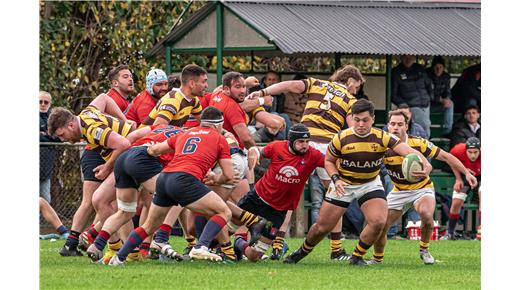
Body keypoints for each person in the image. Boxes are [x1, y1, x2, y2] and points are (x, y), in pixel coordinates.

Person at [283, 99, 433, 266]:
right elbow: (329, 162)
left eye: (365, 120)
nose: (361, 124)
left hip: (369, 183)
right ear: (352, 118)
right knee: (323, 227)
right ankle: (302, 251)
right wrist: (335, 179)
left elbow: (408, 151)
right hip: (344, 183)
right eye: (357, 120)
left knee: (378, 221)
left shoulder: (382, 137)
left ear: (373, 119)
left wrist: (425, 163)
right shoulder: (341, 138)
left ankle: (357, 257)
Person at [247, 64, 363, 260]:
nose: (356, 90)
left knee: (288, 194)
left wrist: (263, 91)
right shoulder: (351, 100)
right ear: (351, 81)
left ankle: (277, 244)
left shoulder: (316, 84)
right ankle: (336, 249)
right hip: (326, 149)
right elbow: (353, 129)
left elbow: (289, 85)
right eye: (357, 86)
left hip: (304, 143)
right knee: (337, 197)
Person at [107, 107, 240, 265]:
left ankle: (119, 258)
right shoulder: (220, 139)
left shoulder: (184, 133)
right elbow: (229, 176)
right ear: (218, 125)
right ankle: (201, 246)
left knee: (149, 226)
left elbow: (155, 149)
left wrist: (148, 149)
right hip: (185, 179)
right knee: (224, 212)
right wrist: (215, 179)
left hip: (164, 178)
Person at [368, 110, 477, 265]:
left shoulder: (418, 143)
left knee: (426, 214)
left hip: (421, 189)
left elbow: (446, 156)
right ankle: (377, 258)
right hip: (399, 191)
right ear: (387, 126)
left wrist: (466, 173)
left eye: (400, 124)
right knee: (382, 226)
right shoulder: (382, 146)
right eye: (392, 124)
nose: (396, 128)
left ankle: (424, 250)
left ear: (406, 126)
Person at [48, 93, 137, 257]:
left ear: (70, 125)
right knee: (109, 202)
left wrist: (106, 167)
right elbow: (104, 97)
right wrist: (123, 120)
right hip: (130, 155)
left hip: (134, 154)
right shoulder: (86, 114)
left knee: (110, 202)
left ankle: (123, 247)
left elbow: (124, 143)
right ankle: (127, 249)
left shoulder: (91, 129)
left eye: (62, 135)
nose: (63, 140)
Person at [86, 124, 185, 263]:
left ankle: (97, 244)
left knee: (125, 212)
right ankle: (161, 238)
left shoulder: (162, 126)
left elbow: (132, 136)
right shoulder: (188, 138)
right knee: (174, 194)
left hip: (126, 156)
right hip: (144, 158)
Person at [231, 124, 324, 262]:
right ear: (291, 141)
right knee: (229, 224)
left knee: (255, 256)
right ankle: (210, 247)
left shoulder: (313, 155)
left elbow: (330, 161)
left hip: (278, 211)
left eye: (307, 141)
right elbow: (258, 151)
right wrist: (253, 152)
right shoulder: (277, 147)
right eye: (300, 142)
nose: (305, 145)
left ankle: (239, 243)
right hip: (258, 198)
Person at [444, 137, 481, 240]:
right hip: (465, 176)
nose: (473, 155)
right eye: (470, 152)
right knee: (456, 202)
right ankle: (450, 233)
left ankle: (482, 231)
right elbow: (451, 162)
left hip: (481, 176)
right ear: (466, 150)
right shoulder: (457, 150)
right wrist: (458, 178)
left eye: (475, 152)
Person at [391, 55, 433, 138]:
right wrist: (403, 105)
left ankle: (423, 146)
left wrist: (430, 97)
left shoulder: (420, 69)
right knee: (425, 124)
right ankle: (425, 147)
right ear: (401, 58)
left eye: (410, 57)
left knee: (422, 128)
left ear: (414, 58)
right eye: (406, 57)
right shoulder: (396, 72)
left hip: (426, 104)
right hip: (411, 106)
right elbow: (393, 94)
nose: (408, 59)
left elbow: (429, 85)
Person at [40, 91, 61, 203]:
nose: (43, 104)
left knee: (45, 198)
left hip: (46, 165)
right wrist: (49, 135)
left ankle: (41, 221)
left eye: (46, 102)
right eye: (40, 101)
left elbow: (60, 137)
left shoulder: (53, 119)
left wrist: (44, 135)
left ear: (50, 103)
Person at [426, 56, 454, 136]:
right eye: (436, 67)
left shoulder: (446, 76)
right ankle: (428, 133)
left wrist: (447, 99)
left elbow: (447, 91)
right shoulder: (427, 75)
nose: (438, 69)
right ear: (432, 67)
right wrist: (440, 99)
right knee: (424, 104)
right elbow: (427, 93)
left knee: (451, 104)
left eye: (440, 67)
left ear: (443, 68)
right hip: (427, 105)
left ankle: (447, 131)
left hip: (439, 105)